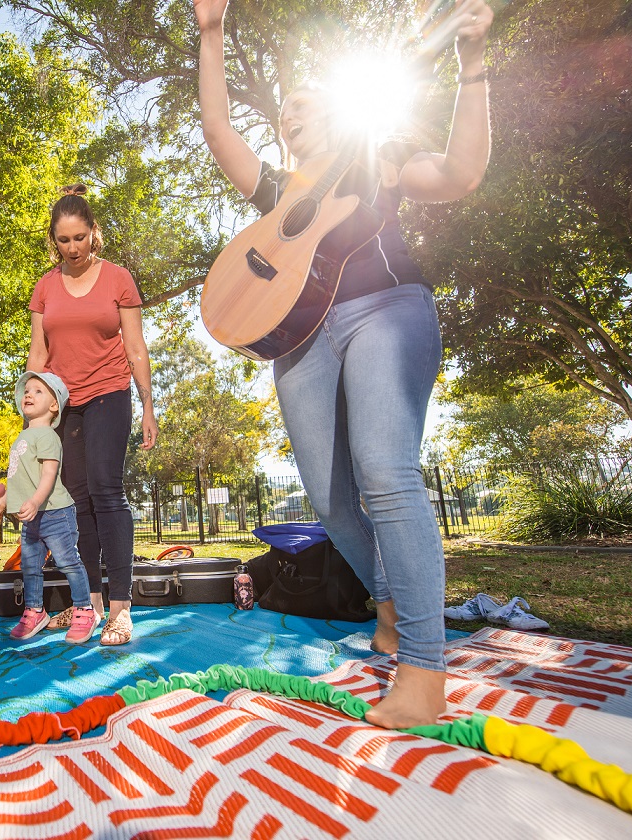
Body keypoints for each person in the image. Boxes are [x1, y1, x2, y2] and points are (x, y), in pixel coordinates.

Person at [194, 0, 493, 728]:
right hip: (297, 335)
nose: (290, 115)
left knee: (385, 471)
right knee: (330, 501)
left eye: (304, 104)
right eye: (284, 112)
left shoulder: (376, 159)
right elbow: (218, 130)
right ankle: (389, 609)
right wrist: (212, 31)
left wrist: (472, 64)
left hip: (387, 309)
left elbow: (461, 173)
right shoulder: (275, 192)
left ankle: (423, 669)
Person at [27, 185, 157, 646]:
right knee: (75, 499)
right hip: (64, 403)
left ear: (93, 233)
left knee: (106, 489)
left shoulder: (117, 279)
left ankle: (121, 610)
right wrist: (34, 413)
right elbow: (38, 353)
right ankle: (91, 605)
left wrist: (147, 404)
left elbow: (135, 346)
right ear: (54, 241)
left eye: (80, 237)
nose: (73, 247)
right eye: (64, 240)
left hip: (108, 393)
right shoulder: (44, 287)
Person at [6, 371, 98, 644]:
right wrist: (3, 502)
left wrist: (35, 501)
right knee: (30, 567)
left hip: (56, 512)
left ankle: (84, 609)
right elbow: (19, 478)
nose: (28, 395)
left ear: (54, 405)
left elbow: (48, 476)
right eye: (26, 391)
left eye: (37, 391)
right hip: (33, 518)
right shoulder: (23, 436)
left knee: (69, 561)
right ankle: (35, 610)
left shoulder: (47, 436)